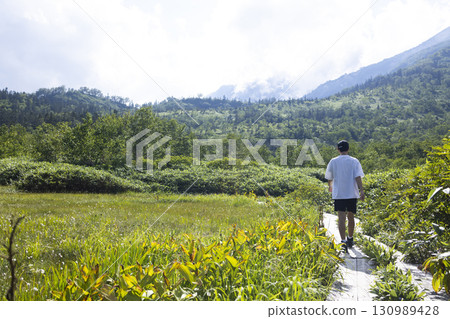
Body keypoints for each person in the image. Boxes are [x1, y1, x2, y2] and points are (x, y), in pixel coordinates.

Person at [325, 140, 364, 251]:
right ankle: (350, 238)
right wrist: (362, 191)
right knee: (351, 216)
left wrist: (330, 187)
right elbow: (358, 177)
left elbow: (329, 177)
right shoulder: (354, 161)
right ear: (348, 149)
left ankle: (343, 242)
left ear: (338, 149)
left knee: (341, 217)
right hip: (352, 193)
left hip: (339, 193)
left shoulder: (333, 161)